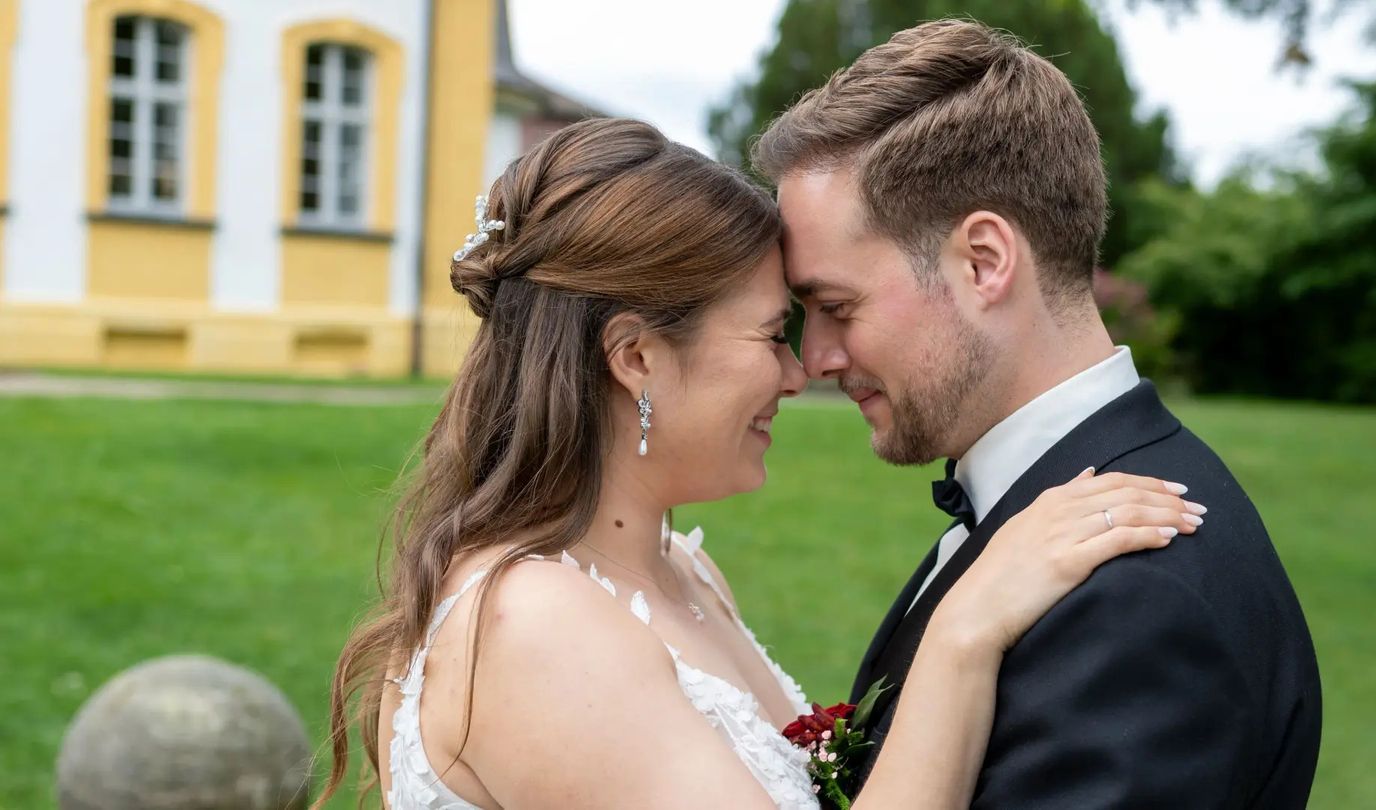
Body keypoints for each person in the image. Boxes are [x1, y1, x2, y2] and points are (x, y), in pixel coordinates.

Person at [314, 117, 1203, 809]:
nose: (800, 369)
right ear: (635, 357)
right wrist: (964, 634)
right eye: (770, 332)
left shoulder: (681, 570)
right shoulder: (535, 626)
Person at [752, 18, 1323, 808]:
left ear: (983, 261)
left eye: (836, 306)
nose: (815, 358)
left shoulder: (1138, 602)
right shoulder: (1048, 508)